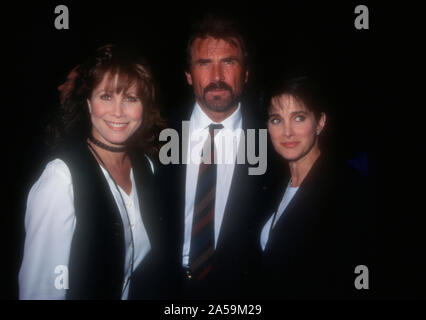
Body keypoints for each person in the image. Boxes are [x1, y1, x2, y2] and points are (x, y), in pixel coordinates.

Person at [18, 44, 168, 300]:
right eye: (106, 96)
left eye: (131, 98)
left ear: (144, 108)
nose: (118, 112)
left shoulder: (147, 167)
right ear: (88, 103)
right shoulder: (61, 179)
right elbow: (41, 289)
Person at [157, 14, 269, 299]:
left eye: (229, 62)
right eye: (204, 63)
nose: (217, 77)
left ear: (246, 73)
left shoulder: (272, 143)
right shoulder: (155, 137)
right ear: (188, 75)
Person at [259, 75, 374, 299]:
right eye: (276, 120)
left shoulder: (347, 188)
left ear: (320, 122)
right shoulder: (272, 184)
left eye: (299, 118)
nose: (287, 131)